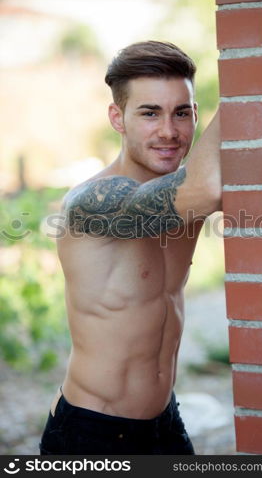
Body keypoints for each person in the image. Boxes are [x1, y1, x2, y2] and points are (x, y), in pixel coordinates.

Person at [39, 40, 222, 455]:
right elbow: (209, 186)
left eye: (183, 112)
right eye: (149, 113)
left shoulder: (186, 197)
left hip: (166, 424)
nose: (170, 131)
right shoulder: (92, 202)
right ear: (117, 118)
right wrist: (253, 78)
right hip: (94, 433)